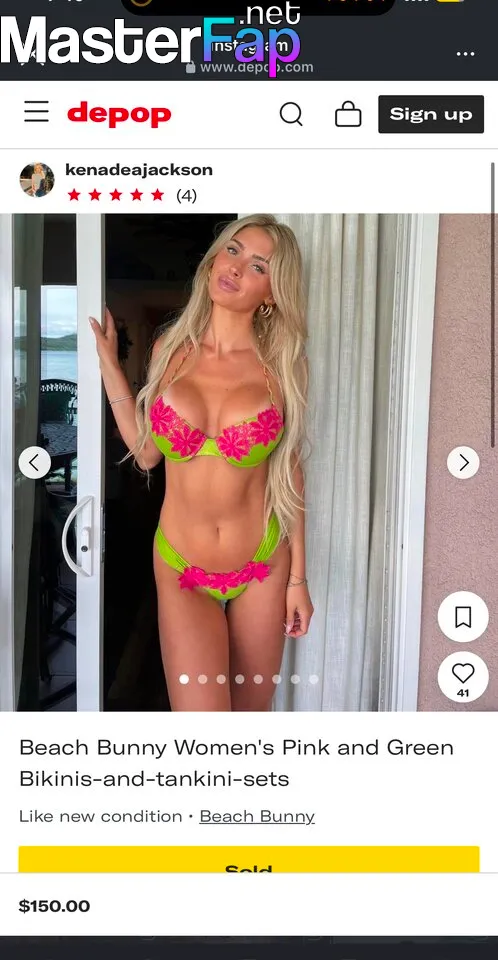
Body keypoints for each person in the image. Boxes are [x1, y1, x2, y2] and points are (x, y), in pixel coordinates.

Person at [90, 214, 314, 711]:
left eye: (258, 265)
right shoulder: (170, 349)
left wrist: (298, 578)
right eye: (232, 250)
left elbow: (290, 471)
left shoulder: (283, 363)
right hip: (181, 565)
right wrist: (109, 365)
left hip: (262, 563)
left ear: (272, 293)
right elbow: (147, 451)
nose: (235, 267)